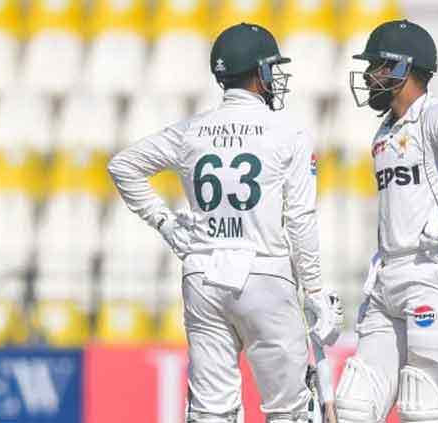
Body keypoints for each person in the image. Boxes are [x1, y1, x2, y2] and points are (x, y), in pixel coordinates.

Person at [108, 22, 344, 423]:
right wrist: (316, 290)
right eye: (272, 68)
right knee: (288, 411)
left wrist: (165, 223)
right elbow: (301, 219)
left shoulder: (191, 130)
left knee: (211, 411)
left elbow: (123, 166)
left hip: (203, 276)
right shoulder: (289, 133)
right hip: (265, 275)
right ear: (260, 73)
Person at [335, 19, 438, 423]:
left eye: (376, 66)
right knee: (354, 405)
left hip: (433, 275)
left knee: (424, 408)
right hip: (388, 277)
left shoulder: (434, 115)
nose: (369, 76)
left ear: (402, 68)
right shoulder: (385, 130)